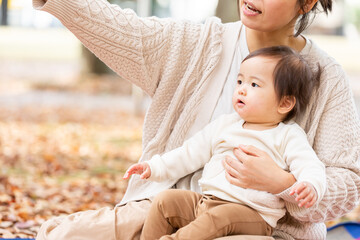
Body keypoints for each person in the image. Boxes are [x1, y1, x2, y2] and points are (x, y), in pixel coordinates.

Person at [33, 0, 360, 239]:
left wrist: (283, 183)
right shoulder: (194, 44)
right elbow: (122, 31)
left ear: (307, 3)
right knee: (65, 236)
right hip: (172, 206)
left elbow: (347, 182)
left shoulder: (326, 78)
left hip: (263, 228)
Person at [123, 46, 326, 239]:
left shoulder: (287, 135)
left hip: (252, 214)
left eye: (254, 84)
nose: (242, 90)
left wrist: (311, 185)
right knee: (164, 201)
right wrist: (154, 166)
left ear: (284, 103)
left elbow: (309, 165)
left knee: (218, 218)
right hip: (206, 201)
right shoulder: (225, 125)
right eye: (240, 82)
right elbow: (189, 152)